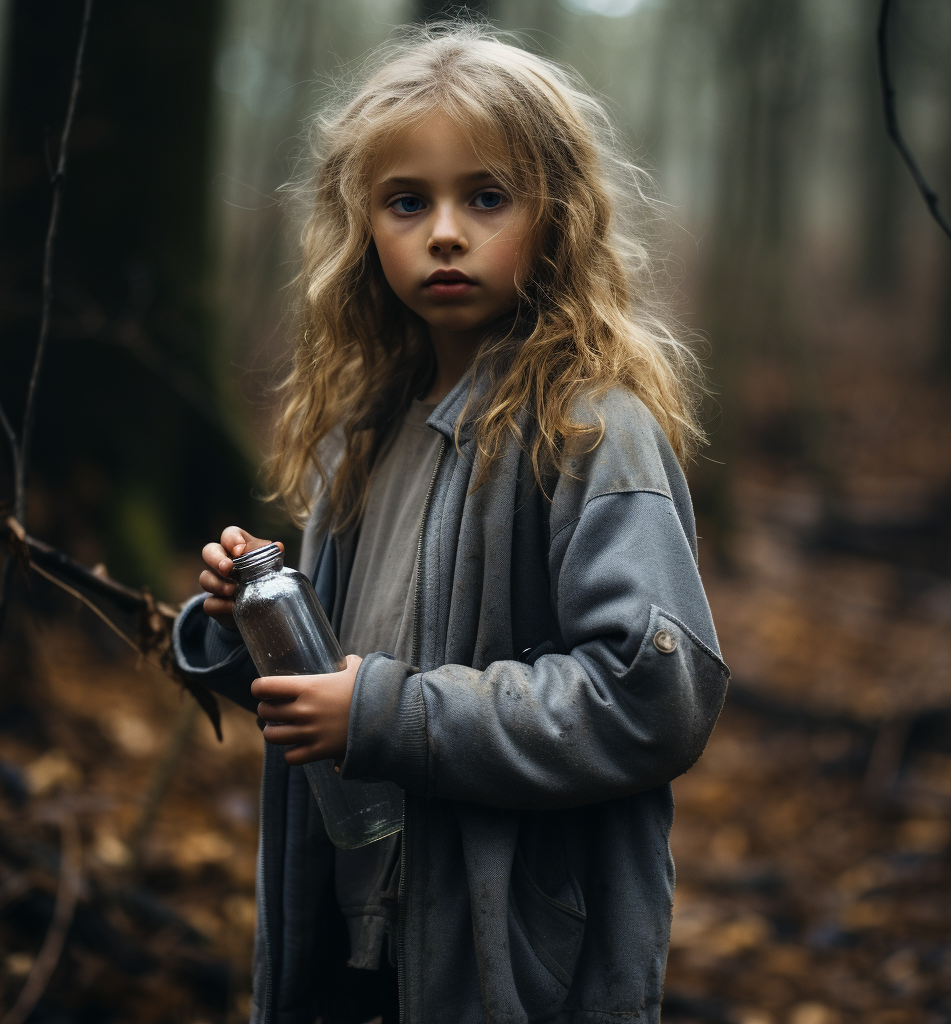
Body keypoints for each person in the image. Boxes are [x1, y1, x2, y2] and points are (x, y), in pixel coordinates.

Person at [173, 21, 729, 1024]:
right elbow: (342, 684)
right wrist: (246, 626)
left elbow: (651, 694)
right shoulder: (362, 433)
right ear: (361, 225)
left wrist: (389, 714)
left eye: (485, 196)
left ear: (555, 215)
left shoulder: (592, 427)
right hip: (353, 937)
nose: (442, 231)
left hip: (517, 964)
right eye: (405, 201)